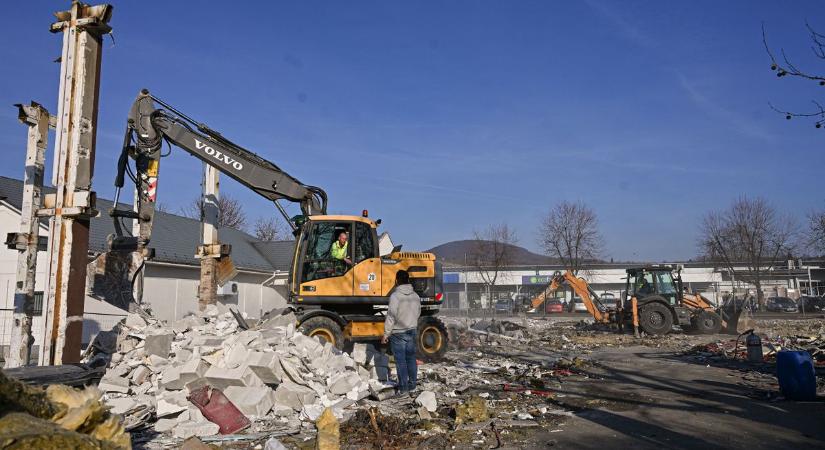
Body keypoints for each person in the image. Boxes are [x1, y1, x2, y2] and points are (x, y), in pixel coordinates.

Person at [380, 270, 421, 394]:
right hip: (412, 330)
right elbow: (418, 312)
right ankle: (412, 385)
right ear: (408, 280)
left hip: (398, 333)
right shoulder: (415, 296)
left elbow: (391, 316)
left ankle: (403, 388)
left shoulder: (395, 296)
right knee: (411, 359)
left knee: (401, 361)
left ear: (397, 280)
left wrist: (386, 334)